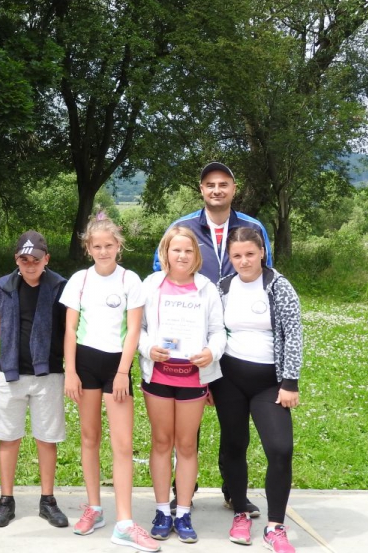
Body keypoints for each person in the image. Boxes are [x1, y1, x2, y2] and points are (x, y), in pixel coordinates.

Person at [152, 161, 272, 517]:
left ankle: (234, 492)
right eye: (210, 184)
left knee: (233, 425)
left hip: (234, 341)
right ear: (201, 190)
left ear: (234, 188)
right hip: (189, 344)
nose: (216, 190)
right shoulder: (183, 228)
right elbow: (160, 275)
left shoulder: (252, 228)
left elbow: (265, 274)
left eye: (223, 184)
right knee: (184, 426)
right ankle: (182, 492)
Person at [62, 215, 159, 552]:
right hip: (85, 365)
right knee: (89, 438)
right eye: (97, 246)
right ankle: (94, 508)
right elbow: (70, 329)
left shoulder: (130, 280)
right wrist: (70, 371)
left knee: (122, 444)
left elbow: (133, 331)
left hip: (116, 367)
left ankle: (125, 523)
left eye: (109, 245)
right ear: (88, 248)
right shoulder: (79, 280)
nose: (103, 251)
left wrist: (121, 372)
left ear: (119, 245)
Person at [211, 228, 302, 553]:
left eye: (250, 254)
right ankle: (239, 511)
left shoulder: (278, 286)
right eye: (237, 256)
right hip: (229, 381)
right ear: (230, 258)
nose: (244, 261)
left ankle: (275, 527)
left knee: (280, 449)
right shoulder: (223, 287)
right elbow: (213, 332)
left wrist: (290, 382)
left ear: (262, 252)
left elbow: (293, 334)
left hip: (269, 384)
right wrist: (208, 379)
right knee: (234, 445)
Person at [138, 227, 225, 544]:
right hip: (159, 376)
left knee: (187, 445)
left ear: (196, 255)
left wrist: (211, 352)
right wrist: (147, 348)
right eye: (176, 250)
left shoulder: (207, 289)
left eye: (188, 250)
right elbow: (137, 327)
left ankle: (184, 512)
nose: (182, 256)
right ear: (166, 253)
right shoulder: (151, 285)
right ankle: (163, 511)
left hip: (192, 377)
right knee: (162, 442)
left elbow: (218, 331)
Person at [0, 230, 69, 529]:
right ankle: (5, 500)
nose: (30, 264)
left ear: (46, 259)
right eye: (25, 259)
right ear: (16, 260)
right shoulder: (2, 286)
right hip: (11, 373)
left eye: (36, 259)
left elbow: (69, 329)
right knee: (8, 437)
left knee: (47, 438)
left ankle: (47, 500)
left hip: (48, 374)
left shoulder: (59, 287)